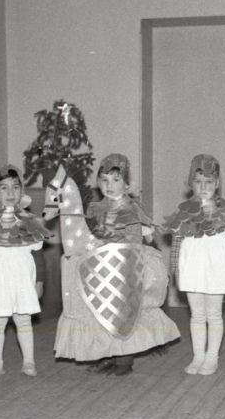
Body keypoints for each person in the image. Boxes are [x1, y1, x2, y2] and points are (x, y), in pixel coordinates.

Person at [54, 153, 180, 376]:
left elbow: (136, 239)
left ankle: (124, 360)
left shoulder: (132, 209)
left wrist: (114, 243)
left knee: (122, 313)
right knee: (100, 312)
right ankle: (107, 354)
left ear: (127, 184)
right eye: (104, 180)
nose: (109, 185)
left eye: (115, 180)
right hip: (100, 267)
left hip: (124, 267)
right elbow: (87, 235)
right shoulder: (95, 208)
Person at [164, 154, 225, 375]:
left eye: (209, 182)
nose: (203, 187)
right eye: (198, 181)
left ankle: (212, 357)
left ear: (217, 183)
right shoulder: (184, 211)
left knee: (214, 314)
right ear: (190, 183)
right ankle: (198, 356)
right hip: (192, 264)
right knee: (197, 314)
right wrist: (176, 268)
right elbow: (177, 241)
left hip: (217, 265)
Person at [0, 165, 51, 380]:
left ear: (22, 191)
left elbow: (38, 256)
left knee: (23, 320)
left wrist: (39, 281)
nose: (10, 192)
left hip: (23, 281)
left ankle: (29, 362)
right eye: (4, 188)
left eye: (15, 187)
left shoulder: (30, 222)